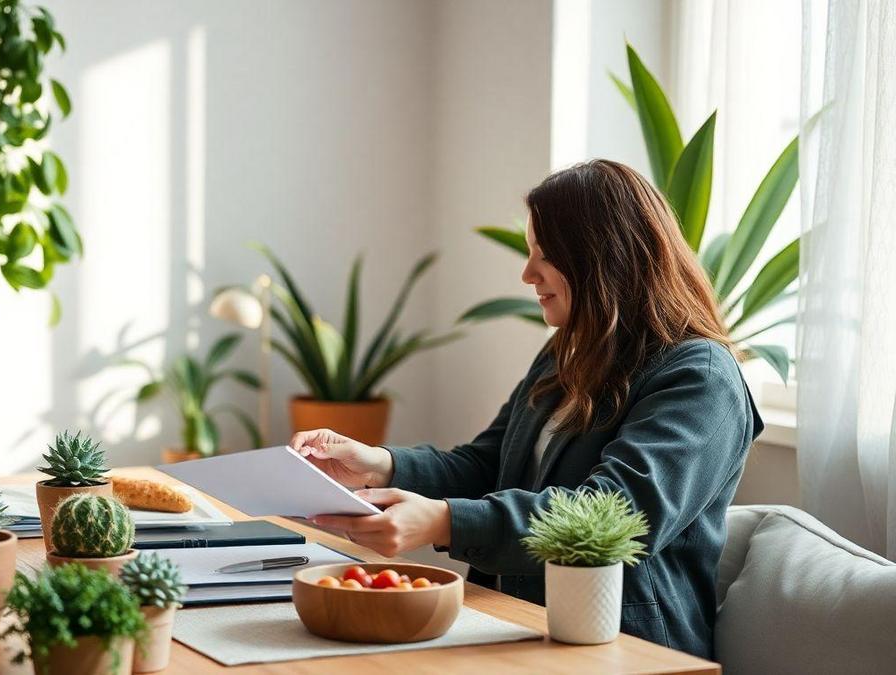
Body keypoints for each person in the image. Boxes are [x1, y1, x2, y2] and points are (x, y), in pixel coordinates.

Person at [291, 159, 763, 659]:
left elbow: (614, 516)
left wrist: (445, 522)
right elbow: (489, 463)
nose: (527, 273)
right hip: (511, 622)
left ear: (604, 258)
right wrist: (377, 464)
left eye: (544, 254)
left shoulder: (701, 377)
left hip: (626, 648)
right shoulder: (567, 352)